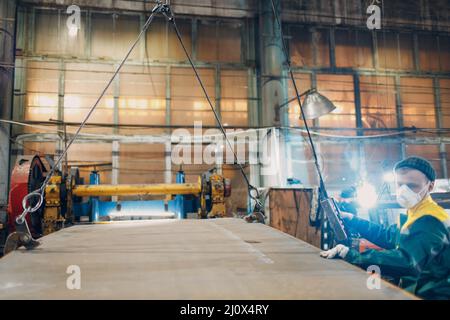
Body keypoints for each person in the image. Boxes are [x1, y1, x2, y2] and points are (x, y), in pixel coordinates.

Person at [320, 156, 450, 300]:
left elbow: (407, 262)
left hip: (430, 294)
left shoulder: (429, 219)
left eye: (412, 186)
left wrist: (350, 255)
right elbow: (389, 236)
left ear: (430, 186)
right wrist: (353, 219)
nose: (404, 190)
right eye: (400, 184)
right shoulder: (416, 211)